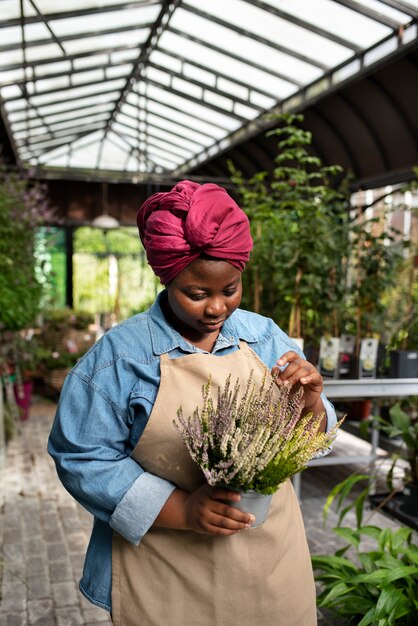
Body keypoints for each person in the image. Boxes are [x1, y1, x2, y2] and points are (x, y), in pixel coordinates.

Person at [48, 180, 338, 626]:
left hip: (269, 565)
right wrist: (183, 511)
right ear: (166, 277)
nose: (217, 308)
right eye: (197, 294)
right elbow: (82, 455)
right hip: (164, 570)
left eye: (231, 289)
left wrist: (312, 405)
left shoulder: (264, 337)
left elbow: (312, 440)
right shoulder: (119, 358)